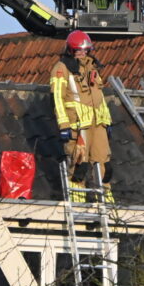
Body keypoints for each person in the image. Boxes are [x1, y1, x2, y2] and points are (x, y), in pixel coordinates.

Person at [50, 30, 114, 203]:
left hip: (98, 123)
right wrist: (64, 125)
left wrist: (107, 121)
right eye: (78, 50)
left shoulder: (93, 67)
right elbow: (57, 98)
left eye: (85, 50)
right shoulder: (62, 68)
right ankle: (77, 204)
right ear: (71, 50)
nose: (82, 53)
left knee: (104, 166)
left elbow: (99, 97)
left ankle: (107, 205)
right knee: (79, 167)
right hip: (77, 126)